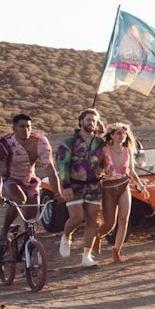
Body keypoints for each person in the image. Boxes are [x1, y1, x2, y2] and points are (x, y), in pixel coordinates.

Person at [0, 113, 64, 232]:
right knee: (19, 200)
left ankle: (30, 239)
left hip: (30, 179)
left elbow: (50, 170)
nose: (26, 130)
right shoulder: (5, 144)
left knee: (32, 218)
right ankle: (4, 231)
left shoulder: (40, 142)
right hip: (11, 179)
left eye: (28, 127)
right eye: (22, 126)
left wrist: (57, 193)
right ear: (14, 128)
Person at [55, 108, 108, 267]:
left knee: (92, 220)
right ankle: (66, 237)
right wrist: (65, 186)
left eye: (94, 120)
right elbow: (62, 164)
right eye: (88, 120)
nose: (91, 123)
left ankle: (87, 256)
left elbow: (105, 161)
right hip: (74, 184)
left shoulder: (99, 143)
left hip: (93, 185)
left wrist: (102, 170)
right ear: (81, 122)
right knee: (77, 217)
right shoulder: (70, 142)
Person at [97, 121, 147, 263]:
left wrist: (140, 186)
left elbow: (131, 171)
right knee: (109, 223)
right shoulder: (105, 150)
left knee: (124, 220)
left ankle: (116, 251)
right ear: (112, 135)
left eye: (124, 134)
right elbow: (96, 167)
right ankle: (98, 236)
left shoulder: (128, 151)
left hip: (124, 185)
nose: (122, 136)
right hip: (108, 187)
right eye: (118, 133)